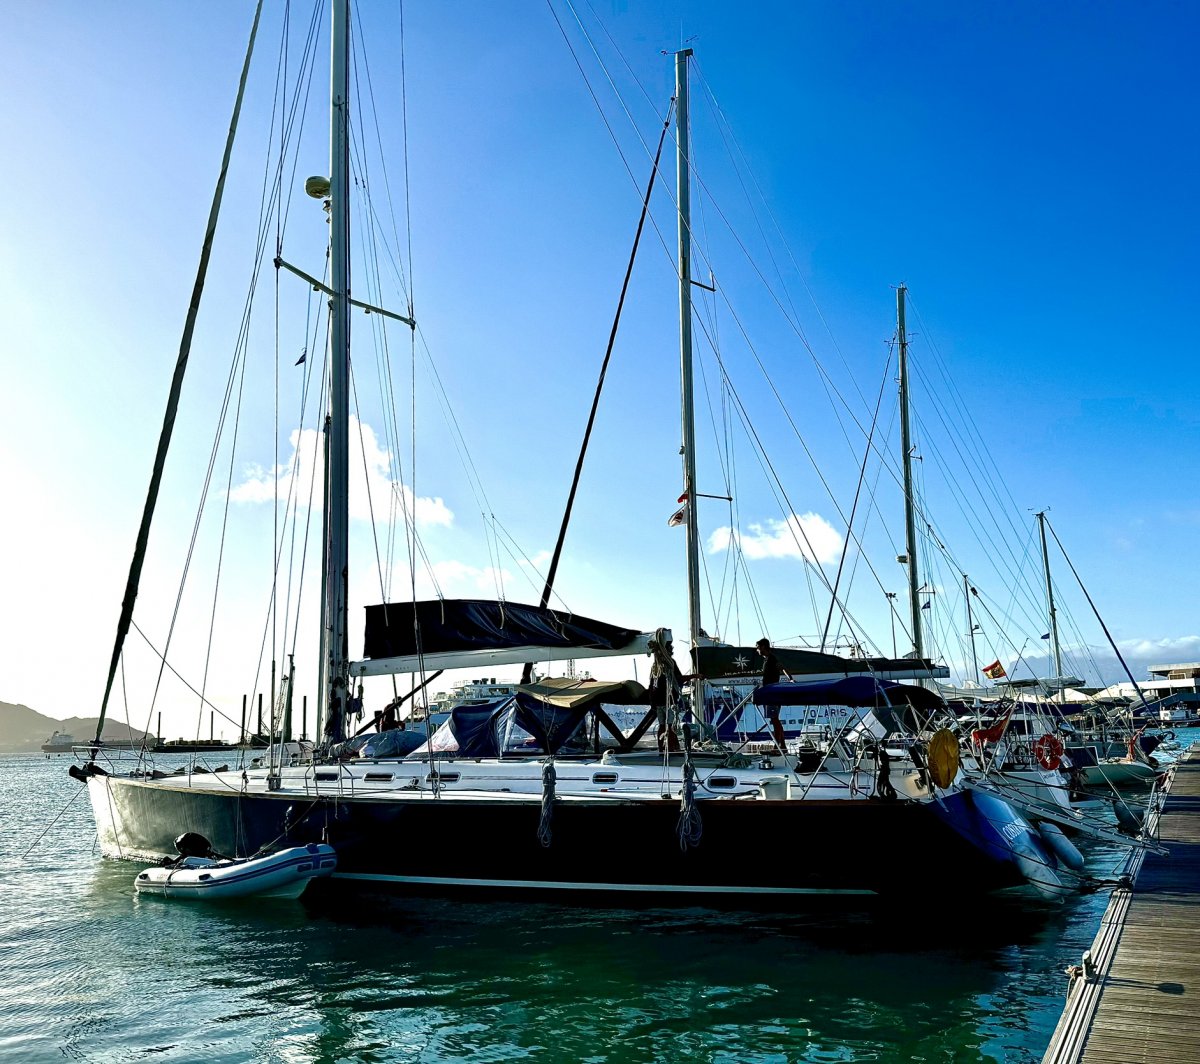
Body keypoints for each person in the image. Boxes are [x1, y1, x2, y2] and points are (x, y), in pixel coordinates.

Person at [648, 640, 695, 753]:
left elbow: (651, 685)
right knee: (670, 726)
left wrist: (652, 702)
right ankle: (672, 749)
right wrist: (695, 676)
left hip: (658, 702)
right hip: (669, 701)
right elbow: (678, 678)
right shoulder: (670, 663)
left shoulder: (655, 666)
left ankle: (662, 748)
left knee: (662, 726)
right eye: (671, 649)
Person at [755, 638, 790, 754]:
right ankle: (783, 746)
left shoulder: (771, 659)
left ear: (763, 647)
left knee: (775, 720)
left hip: (772, 693)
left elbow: (782, 668)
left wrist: (790, 679)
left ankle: (777, 747)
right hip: (770, 692)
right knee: (775, 720)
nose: (757, 650)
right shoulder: (768, 659)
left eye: (758, 647)